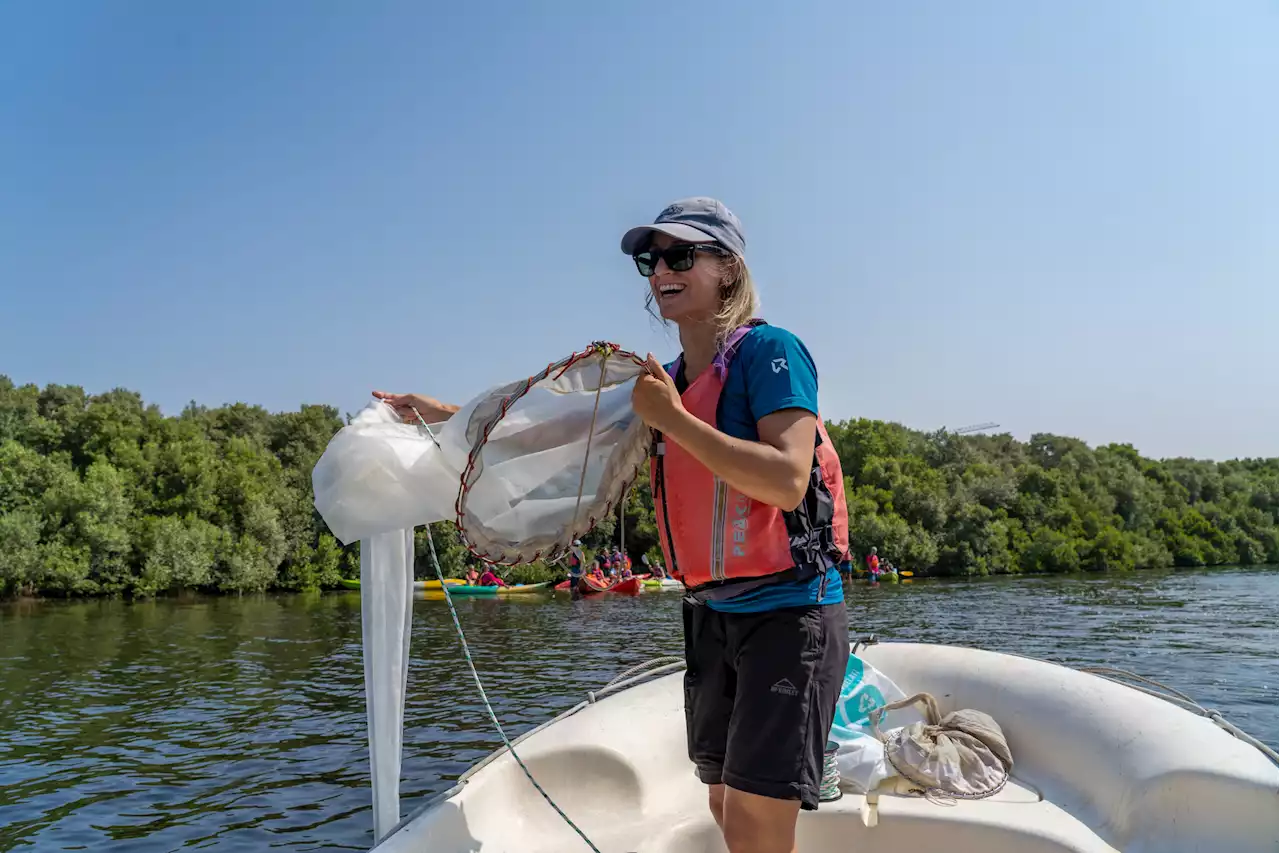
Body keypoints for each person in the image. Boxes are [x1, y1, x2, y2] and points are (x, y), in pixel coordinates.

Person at [372, 197, 850, 853]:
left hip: (789, 614)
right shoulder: (667, 381)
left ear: (729, 269)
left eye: (680, 254)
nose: (660, 271)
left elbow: (787, 477)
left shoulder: (772, 353)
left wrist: (675, 420)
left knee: (757, 821)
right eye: (649, 259)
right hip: (711, 614)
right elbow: (544, 431)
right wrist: (438, 414)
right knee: (720, 798)